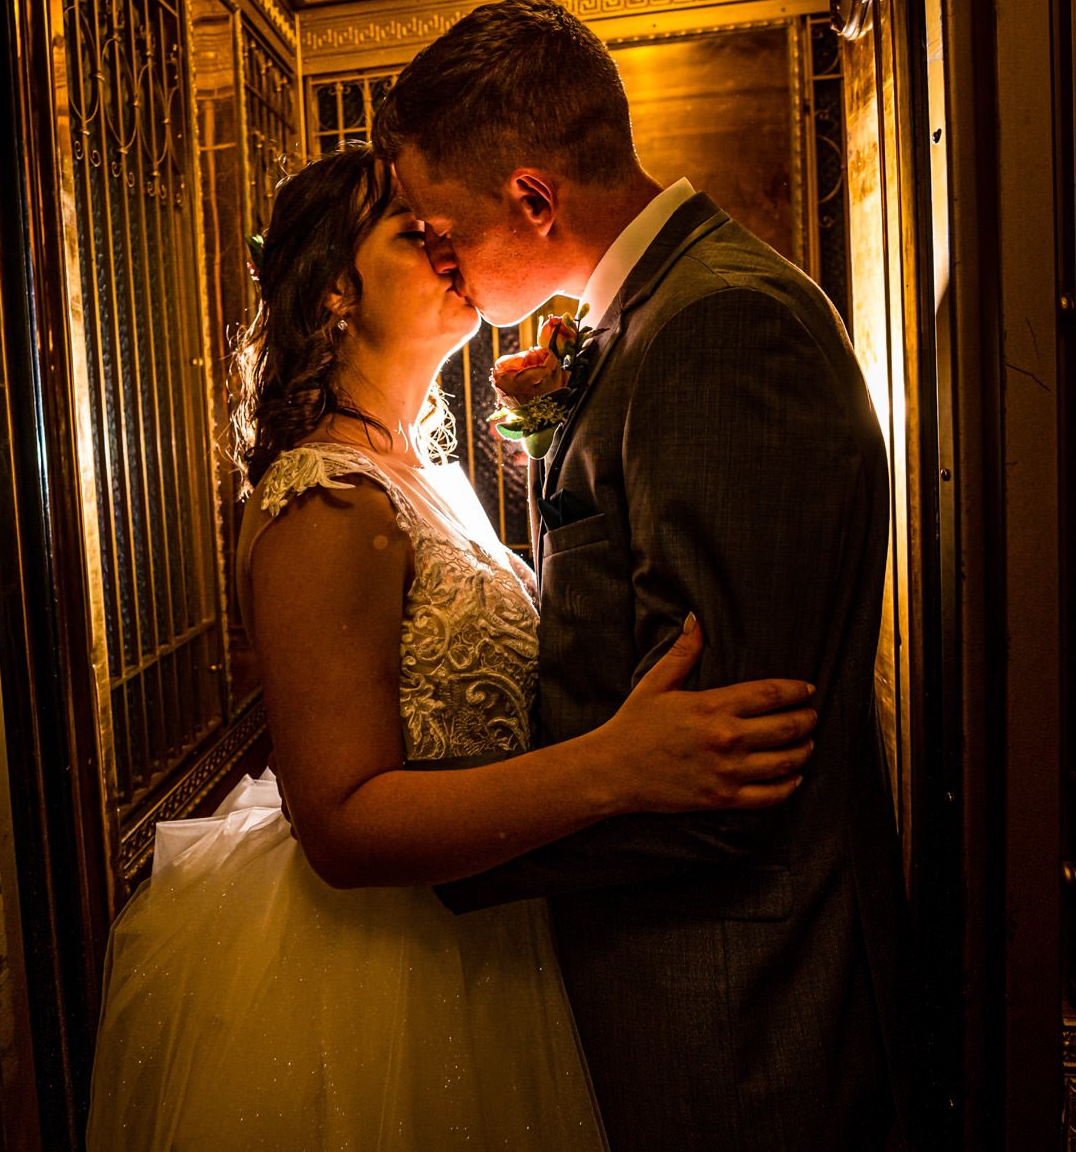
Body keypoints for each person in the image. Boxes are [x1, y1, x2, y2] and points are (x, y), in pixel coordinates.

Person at [84, 145, 819, 1150]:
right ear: (336, 289)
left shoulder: (425, 471)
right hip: (383, 975)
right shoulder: (325, 498)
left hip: (500, 933)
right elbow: (340, 823)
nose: (446, 244)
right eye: (409, 229)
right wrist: (617, 765)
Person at [373, 0, 911, 1150]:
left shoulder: (718, 328)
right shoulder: (652, 319)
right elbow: (617, 598)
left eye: (436, 223)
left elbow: (727, 765)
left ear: (530, 196)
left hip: (735, 1002)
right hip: (677, 981)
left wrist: (437, 851)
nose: (437, 255)